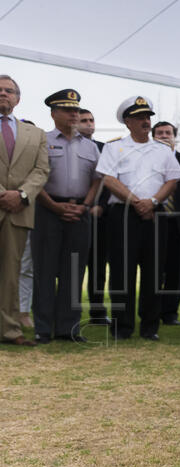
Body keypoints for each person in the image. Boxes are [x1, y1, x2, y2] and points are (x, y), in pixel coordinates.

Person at [96, 96, 180, 341]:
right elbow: (109, 179)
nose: (146, 121)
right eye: (139, 118)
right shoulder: (114, 148)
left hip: (155, 215)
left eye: (147, 117)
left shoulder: (162, 150)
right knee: (121, 272)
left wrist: (153, 202)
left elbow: (172, 179)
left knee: (154, 272)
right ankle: (122, 327)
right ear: (127, 121)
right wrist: (136, 201)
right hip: (123, 214)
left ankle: (149, 326)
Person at [31, 90, 101, 344]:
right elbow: (35, 179)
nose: (75, 114)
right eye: (68, 110)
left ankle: (68, 327)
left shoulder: (91, 146)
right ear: (53, 113)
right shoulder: (42, 141)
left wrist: (85, 206)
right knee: (45, 270)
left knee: (74, 271)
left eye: (77, 110)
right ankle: (42, 327)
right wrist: (53, 206)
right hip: (48, 210)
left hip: (79, 211)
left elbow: (97, 180)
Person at [0, 74, 50, 346]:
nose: (4, 94)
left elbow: (41, 170)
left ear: (17, 99)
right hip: (6, 202)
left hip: (18, 210)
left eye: (9, 91)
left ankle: (9, 330)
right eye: (0, 90)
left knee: (11, 274)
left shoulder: (36, 134)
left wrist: (20, 194)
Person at [152, 120, 180, 327]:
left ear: (174, 137)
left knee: (176, 270)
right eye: (160, 133)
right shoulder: (148, 161)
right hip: (155, 219)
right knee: (155, 268)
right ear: (153, 137)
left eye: (168, 133)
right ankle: (153, 309)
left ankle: (170, 313)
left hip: (179, 221)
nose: (164, 136)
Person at [77, 108, 109, 324]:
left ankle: (97, 312)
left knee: (98, 266)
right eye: (84, 121)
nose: (89, 124)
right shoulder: (71, 146)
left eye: (91, 120)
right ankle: (69, 312)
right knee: (72, 266)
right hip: (73, 212)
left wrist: (101, 205)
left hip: (99, 218)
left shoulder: (105, 149)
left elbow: (110, 180)